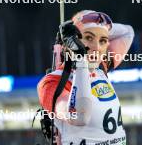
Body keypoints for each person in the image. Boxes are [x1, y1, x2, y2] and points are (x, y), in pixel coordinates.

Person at [37, 10, 134, 145]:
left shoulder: (101, 67)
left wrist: (100, 25)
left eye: (103, 40)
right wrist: (80, 60)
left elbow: (127, 32)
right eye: (88, 38)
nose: (97, 47)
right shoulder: (53, 82)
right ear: (71, 42)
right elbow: (79, 117)